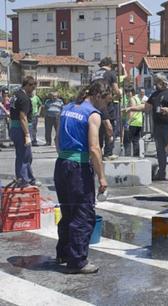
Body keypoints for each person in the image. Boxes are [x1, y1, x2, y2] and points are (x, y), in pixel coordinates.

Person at [54, 80, 109, 274]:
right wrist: (101, 176)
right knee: (83, 215)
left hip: (61, 165)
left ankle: (63, 253)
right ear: (98, 95)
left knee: (67, 212)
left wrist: (65, 157)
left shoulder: (67, 108)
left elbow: (56, 139)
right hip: (79, 167)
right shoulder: (93, 115)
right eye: (105, 101)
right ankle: (77, 261)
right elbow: (94, 148)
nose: (105, 106)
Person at [125, 73, 168, 180]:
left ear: (163, 82)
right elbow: (146, 107)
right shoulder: (155, 95)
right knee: (160, 151)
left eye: (157, 82)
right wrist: (131, 108)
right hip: (157, 126)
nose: (155, 85)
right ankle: (161, 172)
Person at [9, 76, 41, 187]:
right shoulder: (24, 98)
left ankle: (29, 177)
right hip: (21, 129)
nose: (33, 89)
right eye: (32, 87)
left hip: (14, 127)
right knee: (23, 155)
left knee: (27, 155)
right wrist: (27, 134)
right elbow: (23, 117)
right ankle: (23, 180)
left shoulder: (15, 95)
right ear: (28, 85)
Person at [91, 57, 122, 160]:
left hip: (94, 104)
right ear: (109, 65)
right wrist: (118, 96)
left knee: (97, 128)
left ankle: (98, 152)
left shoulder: (94, 74)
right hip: (106, 104)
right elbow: (116, 90)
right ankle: (108, 153)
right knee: (110, 126)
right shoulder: (111, 73)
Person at [123, 86, 143, 157]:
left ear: (132, 92)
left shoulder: (132, 99)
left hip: (132, 122)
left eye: (129, 92)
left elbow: (132, 111)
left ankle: (127, 156)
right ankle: (136, 155)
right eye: (126, 92)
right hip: (138, 122)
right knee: (135, 140)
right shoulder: (137, 98)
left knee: (127, 141)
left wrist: (128, 122)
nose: (127, 94)